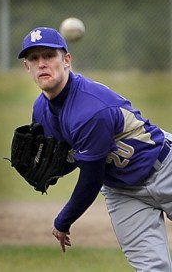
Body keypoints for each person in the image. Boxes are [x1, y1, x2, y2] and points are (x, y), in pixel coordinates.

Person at [18, 26, 172, 271]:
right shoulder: (41, 110)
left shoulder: (90, 110)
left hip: (165, 169)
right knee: (153, 268)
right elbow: (70, 156)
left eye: (49, 55)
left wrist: (63, 221)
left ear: (66, 60)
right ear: (27, 67)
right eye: (34, 58)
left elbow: (91, 178)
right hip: (123, 192)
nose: (42, 64)